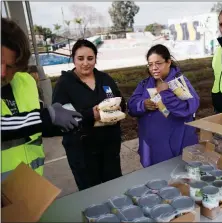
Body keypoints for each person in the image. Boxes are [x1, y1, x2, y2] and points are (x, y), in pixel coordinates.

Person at [1, 18, 82, 179]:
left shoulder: (26, 82)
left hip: (29, 185)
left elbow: (30, 126)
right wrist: (46, 117)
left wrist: (56, 126)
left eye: (10, 66)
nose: (2, 73)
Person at [52, 39, 126, 191]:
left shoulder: (105, 79)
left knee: (114, 188)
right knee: (91, 193)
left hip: (109, 147)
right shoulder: (64, 85)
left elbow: (121, 101)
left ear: (95, 59)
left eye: (90, 58)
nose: (85, 63)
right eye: (80, 59)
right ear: (73, 59)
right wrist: (90, 115)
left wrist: (118, 107)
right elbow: (61, 119)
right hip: (82, 151)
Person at [128, 44, 200, 168]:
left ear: (168, 62)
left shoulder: (179, 83)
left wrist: (165, 93)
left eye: (158, 63)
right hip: (150, 146)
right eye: (150, 64)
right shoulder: (145, 83)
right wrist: (143, 105)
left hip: (174, 145)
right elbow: (131, 105)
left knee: (175, 177)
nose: (154, 68)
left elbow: (189, 107)